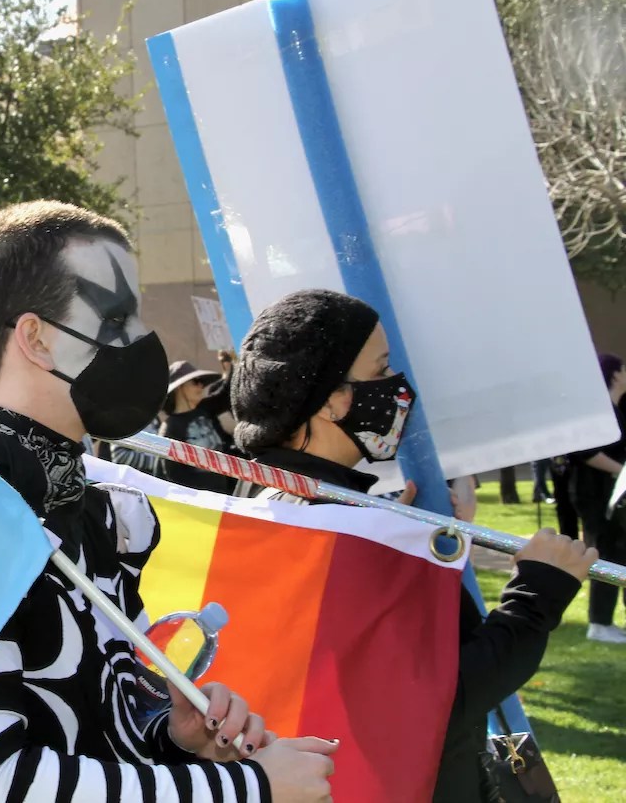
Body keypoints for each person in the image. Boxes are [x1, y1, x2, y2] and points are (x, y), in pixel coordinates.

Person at [0, 203, 339, 803]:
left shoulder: (100, 511)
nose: (141, 343)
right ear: (35, 339)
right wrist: (245, 789)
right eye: (115, 318)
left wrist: (170, 735)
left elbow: (99, 712)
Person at [228, 289, 596, 803]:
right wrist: (537, 595)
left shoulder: (263, 501)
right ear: (334, 400)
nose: (396, 387)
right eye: (380, 370)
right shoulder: (341, 532)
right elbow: (437, 698)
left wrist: (402, 540)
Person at [568, 354, 626, 644]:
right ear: (614, 375)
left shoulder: (617, 410)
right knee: (605, 554)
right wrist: (622, 471)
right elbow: (585, 451)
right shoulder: (598, 412)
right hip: (595, 495)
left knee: (620, 553)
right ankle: (599, 623)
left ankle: (610, 622)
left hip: (615, 497)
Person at [159, 361, 236, 495]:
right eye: (195, 381)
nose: (201, 385)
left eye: (201, 381)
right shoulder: (170, 428)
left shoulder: (204, 410)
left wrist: (231, 365)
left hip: (225, 498)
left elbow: (225, 393)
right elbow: (172, 478)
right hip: (199, 506)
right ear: (180, 387)